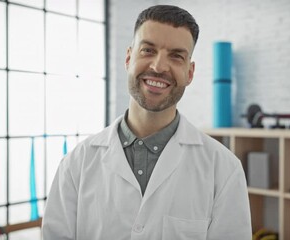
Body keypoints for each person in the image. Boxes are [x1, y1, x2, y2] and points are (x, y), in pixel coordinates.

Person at [42, 5, 252, 240]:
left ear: (190, 73)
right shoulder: (77, 163)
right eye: (148, 50)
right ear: (129, 58)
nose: (159, 66)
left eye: (176, 56)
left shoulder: (223, 170)